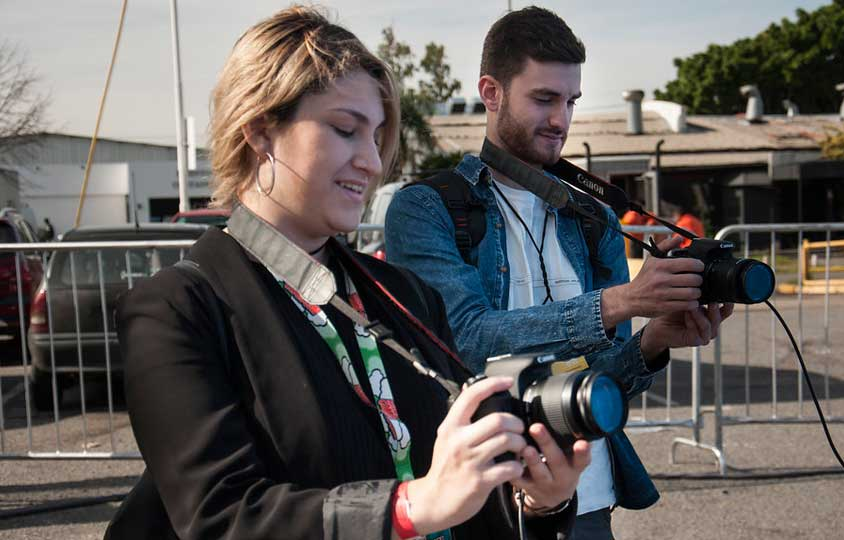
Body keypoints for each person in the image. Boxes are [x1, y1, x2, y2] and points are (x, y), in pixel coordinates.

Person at [103, 6, 589, 540]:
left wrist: (535, 501)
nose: (372, 161)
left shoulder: (405, 298)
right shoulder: (176, 309)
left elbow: (457, 496)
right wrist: (408, 508)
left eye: (376, 135)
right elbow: (222, 516)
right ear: (260, 130)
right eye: (344, 130)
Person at [385, 7, 733, 538]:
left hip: (588, 499)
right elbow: (465, 340)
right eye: (544, 99)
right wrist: (621, 301)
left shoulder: (592, 217)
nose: (561, 120)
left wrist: (654, 342)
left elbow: (603, 380)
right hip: (479, 503)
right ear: (491, 91)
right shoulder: (426, 209)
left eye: (570, 101)